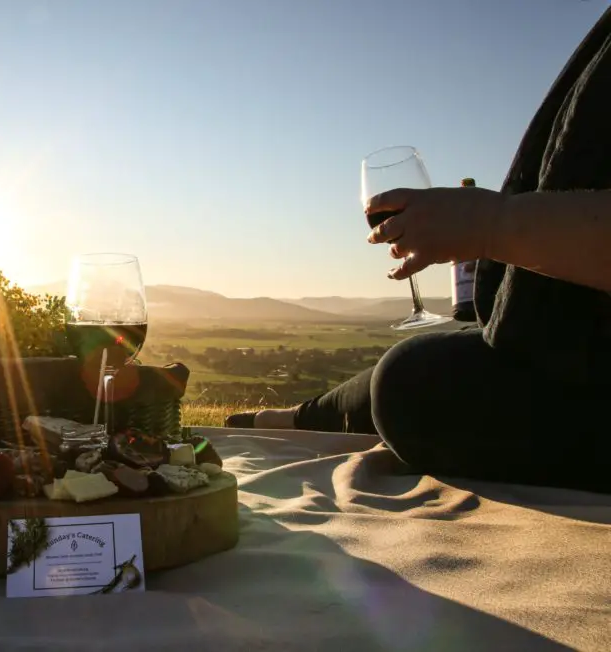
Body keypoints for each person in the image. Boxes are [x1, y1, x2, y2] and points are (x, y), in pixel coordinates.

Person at [227, 6, 611, 494]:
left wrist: (492, 224)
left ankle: (295, 419)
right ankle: (292, 419)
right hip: (551, 334)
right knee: (438, 347)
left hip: (582, 369)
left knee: (413, 383)